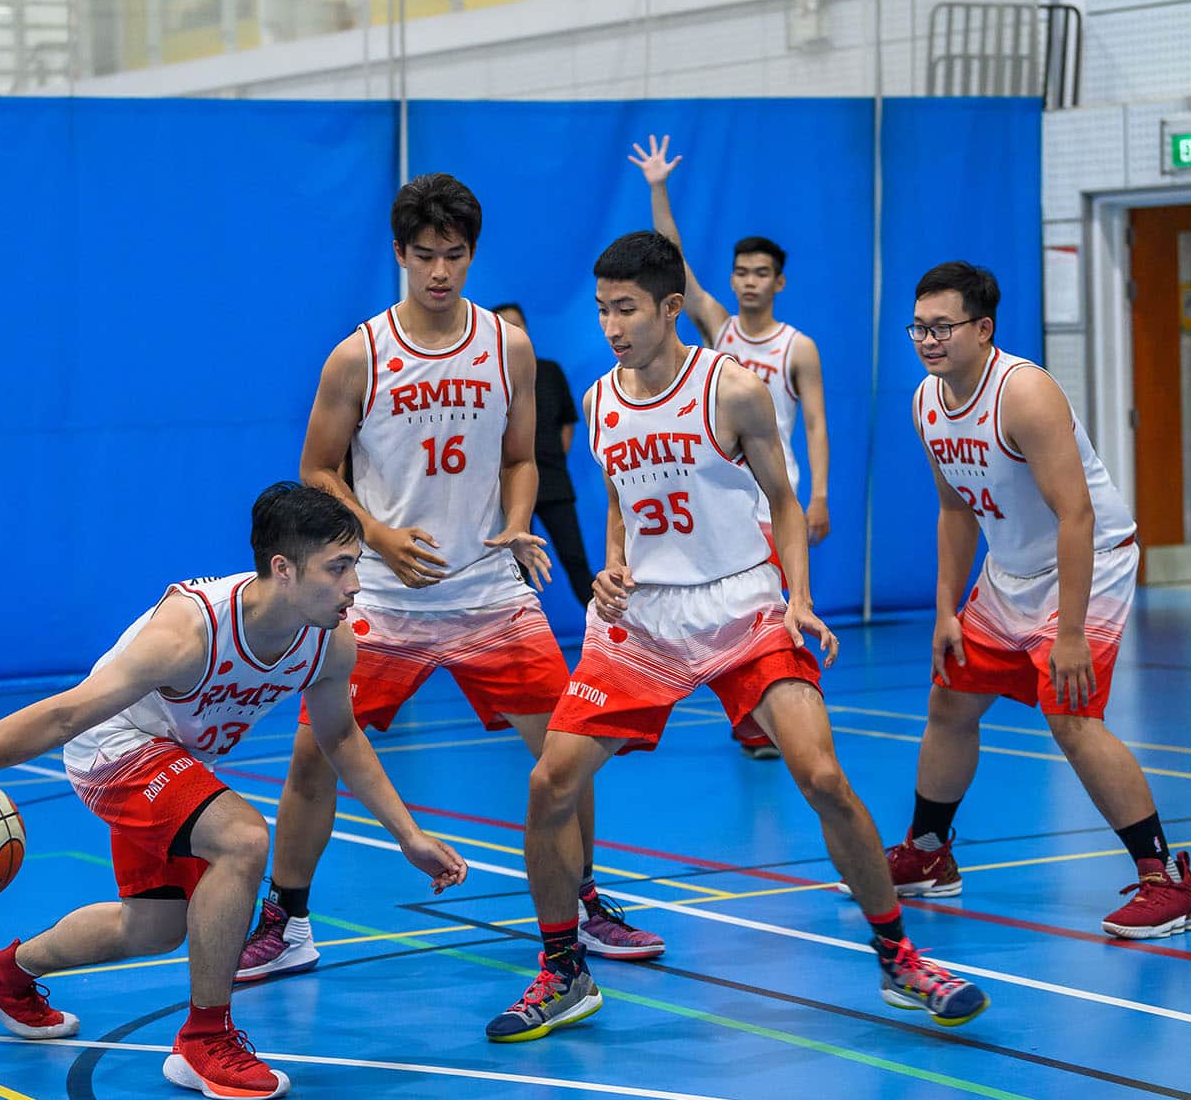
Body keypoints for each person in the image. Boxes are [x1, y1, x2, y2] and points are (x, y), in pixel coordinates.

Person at [483, 231, 989, 1043]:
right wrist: (612, 562)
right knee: (550, 784)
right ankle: (563, 969)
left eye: (627, 309)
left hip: (746, 606)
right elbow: (620, 496)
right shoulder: (604, 397)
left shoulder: (735, 389)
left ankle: (899, 956)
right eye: (602, 310)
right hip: (644, 620)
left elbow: (784, 502)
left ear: (670, 307)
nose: (611, 326)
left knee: (822, 775)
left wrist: (800, 597)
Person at [0, 484, 468, 1100]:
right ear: (282, 569)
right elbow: (66, 717)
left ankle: (2, 974)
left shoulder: (330, 638)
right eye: (339, 567)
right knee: (243, 839)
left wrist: (408, 836)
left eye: (356, 565)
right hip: (113, 749)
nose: (355, 584)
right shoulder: (189, 631)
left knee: (154, 928)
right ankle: (204, 1042)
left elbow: (341, 737)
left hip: (174, 758)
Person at [240, 175, 664, 985]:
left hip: (488, 592)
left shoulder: (505, 348)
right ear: (400, 254)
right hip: (383, 596)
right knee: (309, 758)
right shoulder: (358, 354)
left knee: (564, 754)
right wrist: (381, 537)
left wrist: (516, 519)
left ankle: (583, 901)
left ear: (472, 254)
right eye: (425, 255)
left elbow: (520, 459)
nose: (441, 271)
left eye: (456, 255)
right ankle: (287, 919)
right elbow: (316, 469)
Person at [894, 261, 1191, 939]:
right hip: (1009, 574)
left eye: (941, 326)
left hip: (1086, 564)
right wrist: (947, 608)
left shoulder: (1025, 394)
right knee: (949, 698)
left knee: (1069, 716)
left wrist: (1068, 635)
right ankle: (926, 854)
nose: (927, 339)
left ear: (983, 329)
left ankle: (1169, 883)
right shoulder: (926, 402)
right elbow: (954, 512)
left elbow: (1078, 517)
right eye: (918, 326)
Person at [631, 134, 833, 761]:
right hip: (717, 498)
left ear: (779, 282)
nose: (749, 281)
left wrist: (818, 495)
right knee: (718, 602)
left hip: (775, 495)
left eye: (761, 273)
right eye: (741, 272)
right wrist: (659, 188)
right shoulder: (717, 330)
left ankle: (780, 709)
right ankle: (747, 710)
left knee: (775, 608)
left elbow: (819, 425)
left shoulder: (796, 348)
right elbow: (674, 264)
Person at [493, 301, 595, 609]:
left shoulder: (549, 372)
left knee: (574, 557)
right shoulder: (487, 380)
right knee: (514, 565)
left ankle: (606, 631)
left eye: (517, 326)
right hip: (506, 487)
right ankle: (520, 635)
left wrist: (551, 458)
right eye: (503, 328)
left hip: (552, 479)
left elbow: (567, 421)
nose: (512, 334)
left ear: (526, 331)